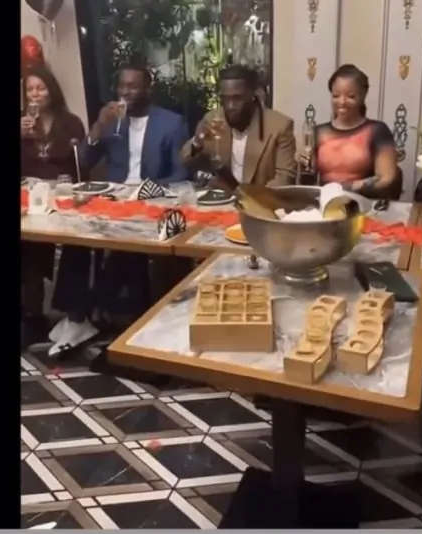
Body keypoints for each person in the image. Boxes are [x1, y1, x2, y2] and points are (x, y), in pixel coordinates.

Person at [79, 63, 190, 317]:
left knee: (129, 247)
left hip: (153, 202)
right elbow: (85, 160)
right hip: (115, 203)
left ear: (148, 90)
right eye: (121, 86)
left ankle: (97, 308)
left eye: (132, 86)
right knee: (78, 242)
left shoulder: (171, 123)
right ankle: (104, 309)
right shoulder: (111, 120)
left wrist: (145, 192)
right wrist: (98, 126)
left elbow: (182, 174)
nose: (124, 92)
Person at [21, 67, 97, 352]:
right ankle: (32, 315)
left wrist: (68, 181)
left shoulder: (71, 123)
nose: (35, 94)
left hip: (64, 197)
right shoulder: (22, 122)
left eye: (40, 88)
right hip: (31, 197)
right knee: (28, 243)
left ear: (51, 91)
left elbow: (81, 166)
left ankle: (73, 313)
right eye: (30, 89)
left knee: (75, 241)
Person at [296, 64, 401, 199]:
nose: (342, 102)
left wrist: (347, 188)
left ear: (363, 96)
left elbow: (386, 178)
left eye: (350, 96)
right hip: (325, 203)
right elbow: (307, 182)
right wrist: (301, 164)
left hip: (365, 204)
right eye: (336, 96)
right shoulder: (318, 132)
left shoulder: (377, 130)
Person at [181, 65, 296, 187]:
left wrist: (251, 198)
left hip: (260, 197)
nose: (230, 106)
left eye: (237, 98)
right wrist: (197, 142)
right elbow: (186, 163)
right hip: (221, 197)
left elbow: (284, 178)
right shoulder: (214, 121)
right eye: (225, 99)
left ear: (252, 94)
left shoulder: (279, 125)